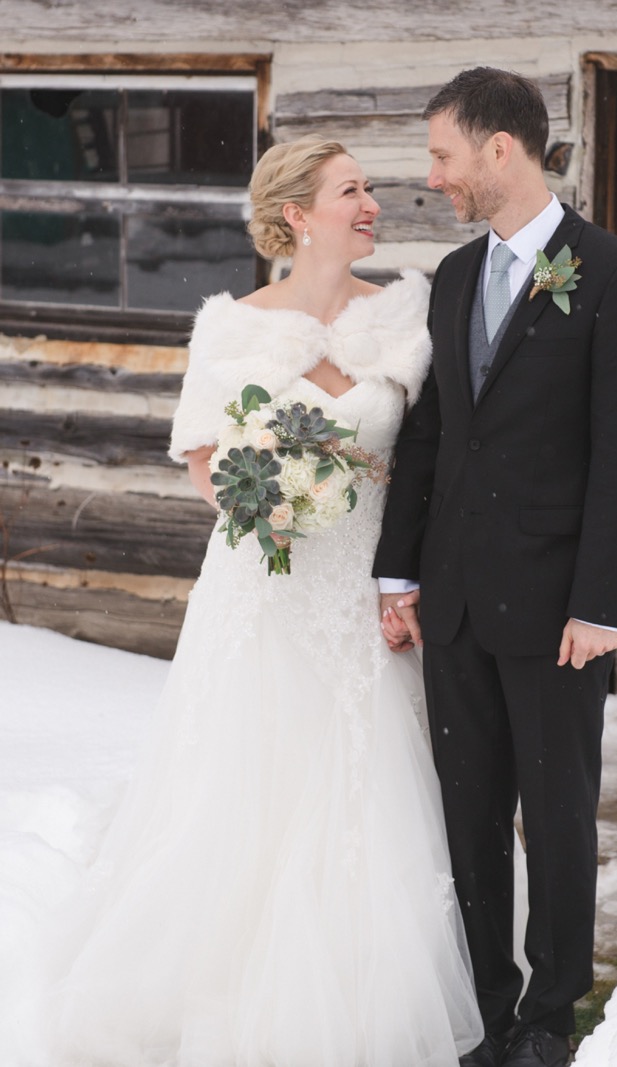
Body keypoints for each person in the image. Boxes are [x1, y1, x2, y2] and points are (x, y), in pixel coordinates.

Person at [47, 137, 483, 1064]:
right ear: (297, 213)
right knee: (245, 784)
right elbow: (206, 457)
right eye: (352, 190)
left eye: (369, 187)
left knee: (369, 787)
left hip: (366, 584)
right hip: (266, 584)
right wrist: (265, 504)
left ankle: (366, 1010)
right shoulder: (232, 326)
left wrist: (406, 573)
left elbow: (427, 458)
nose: (373, 202)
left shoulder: (409, 310)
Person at [372, 68, 617, 1067]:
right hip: (452, 600)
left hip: (555, 609)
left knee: (555, 813)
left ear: (502, 149)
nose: (434, 176)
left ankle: (548, 1014)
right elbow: (433, 434)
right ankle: (488, 1010)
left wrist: (598, 601)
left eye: (442, 155)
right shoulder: (452, 277)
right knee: (470, 818)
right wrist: (396, 572)